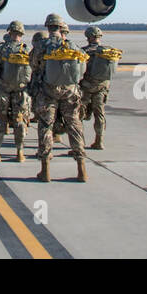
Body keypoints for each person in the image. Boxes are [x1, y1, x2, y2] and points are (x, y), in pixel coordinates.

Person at [32, 15, 89, 183]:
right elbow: (82, 68)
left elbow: (33, 64)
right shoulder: (72, 45)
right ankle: (81, 169)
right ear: (62, 27)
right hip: (70, 92)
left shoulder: (43, 45)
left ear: (48, 27)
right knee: (75, 126)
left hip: (48, 91)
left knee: (45, 127)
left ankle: (46, 170)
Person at [0, 21, 31, 162]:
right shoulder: (27, 50)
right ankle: (20, 152)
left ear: (9, 32)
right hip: (20, 91)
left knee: (1, 120)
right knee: (19, 121)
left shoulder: (3, 49)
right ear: (21, 34)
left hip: (3, 90)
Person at [79, 27, 121, 151]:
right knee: (100, 114)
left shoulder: (84, 51)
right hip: (102, 87)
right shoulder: (108, 52)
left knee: (79, 115)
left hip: (86, 87)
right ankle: (99, 141)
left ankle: (79, 143)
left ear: (88, 37)